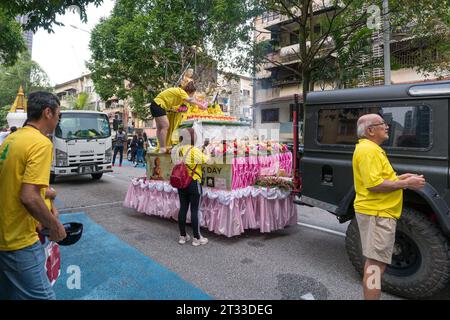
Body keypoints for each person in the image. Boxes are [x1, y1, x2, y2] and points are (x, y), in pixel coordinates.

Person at [0, 91, 67, 300]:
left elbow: (13, 183)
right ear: (47, 113)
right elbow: (28, 196)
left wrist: (49, 196)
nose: (58, 120)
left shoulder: (12, 139)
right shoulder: (41, 143)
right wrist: (55, 226)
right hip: (18, 239)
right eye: (58, 115)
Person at [353, 114, 425, 300]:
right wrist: (407, 184)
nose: (387, 127)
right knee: (375, 265)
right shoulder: (369, 151)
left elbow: (378, 179)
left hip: (379, 212)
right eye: (382, 124)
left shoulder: (370, 149)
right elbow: (374, 185)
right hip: (377, 213)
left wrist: (402, 178)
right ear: (370, 130)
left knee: (376, 263)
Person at [174, 128, 211, 246]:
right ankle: (197, 238)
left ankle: (182, 236)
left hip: (181, 183)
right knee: (195, 210)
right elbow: (207, 160)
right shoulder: (194, 150)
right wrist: (207, 150)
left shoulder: (179, 150)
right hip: (193, 182)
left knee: (183, 208)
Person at [150, 82, 207, 154]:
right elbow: (190, 100)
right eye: (192, 94)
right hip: (158, 105)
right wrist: (201, 105)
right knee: (165, 126)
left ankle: (162, 147)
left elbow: (175, 105)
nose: (192, 96)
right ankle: (162, 148)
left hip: (156, 104)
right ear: (190, 92)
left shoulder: (179, 93)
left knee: (160, 128)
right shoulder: (182, 92)